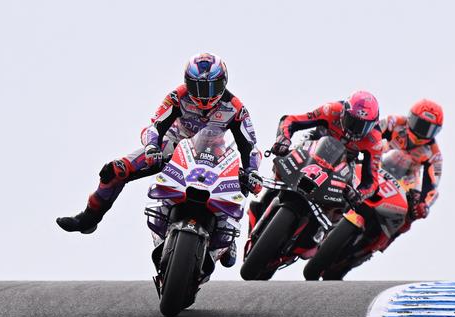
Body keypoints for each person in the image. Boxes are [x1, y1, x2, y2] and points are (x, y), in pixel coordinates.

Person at [56, 52, 262, 267]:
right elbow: (154, 126)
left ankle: (228, 236)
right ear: (186, 82)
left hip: (214, 153)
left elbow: (250, 146)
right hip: (174, 146)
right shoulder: (177, 96)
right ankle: (88, 219)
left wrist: (252, 171)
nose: (203, 95)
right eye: (197, 87)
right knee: (114, 170)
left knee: (244, 180)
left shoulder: (236, 107)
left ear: (224, 82)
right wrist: (153, 147)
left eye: (211, 87)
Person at [246, 91, 383, 243]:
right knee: (283, 164)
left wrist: (359, 194)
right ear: (344, 112)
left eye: (363, 126)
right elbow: (291, 120)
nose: (356, 129)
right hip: (312, 147)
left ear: (374, 124)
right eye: (353, 121)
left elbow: (372, 181)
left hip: (342, 164)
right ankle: (264, 200)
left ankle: (320, 234)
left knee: (345, 199)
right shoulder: (331, 110)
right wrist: (283, 139)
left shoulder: (374, 141)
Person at [378, 99, 444, 221]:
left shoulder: (435, 155)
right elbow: (371, 133)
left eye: (428, 129)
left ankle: (387, 235)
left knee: (410, 215)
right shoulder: (393, 122)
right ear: (410, 117)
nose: (421, 132)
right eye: (419, 124)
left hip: (405, 183)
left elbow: (432, 187)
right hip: (378, 165)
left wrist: (424, 205)